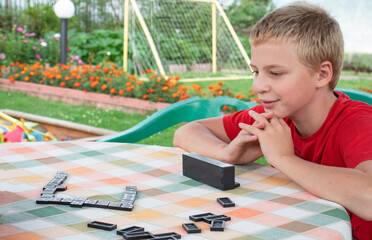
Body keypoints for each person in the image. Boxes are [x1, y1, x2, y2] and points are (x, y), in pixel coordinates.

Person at [173, 2, 372, 239]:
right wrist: (228, 153)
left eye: (275, 73)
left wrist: (282, 158)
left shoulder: (356, 122)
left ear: (322, 74)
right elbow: (186, 133)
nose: (258, 86)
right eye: (256, 72)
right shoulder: (274, 117)